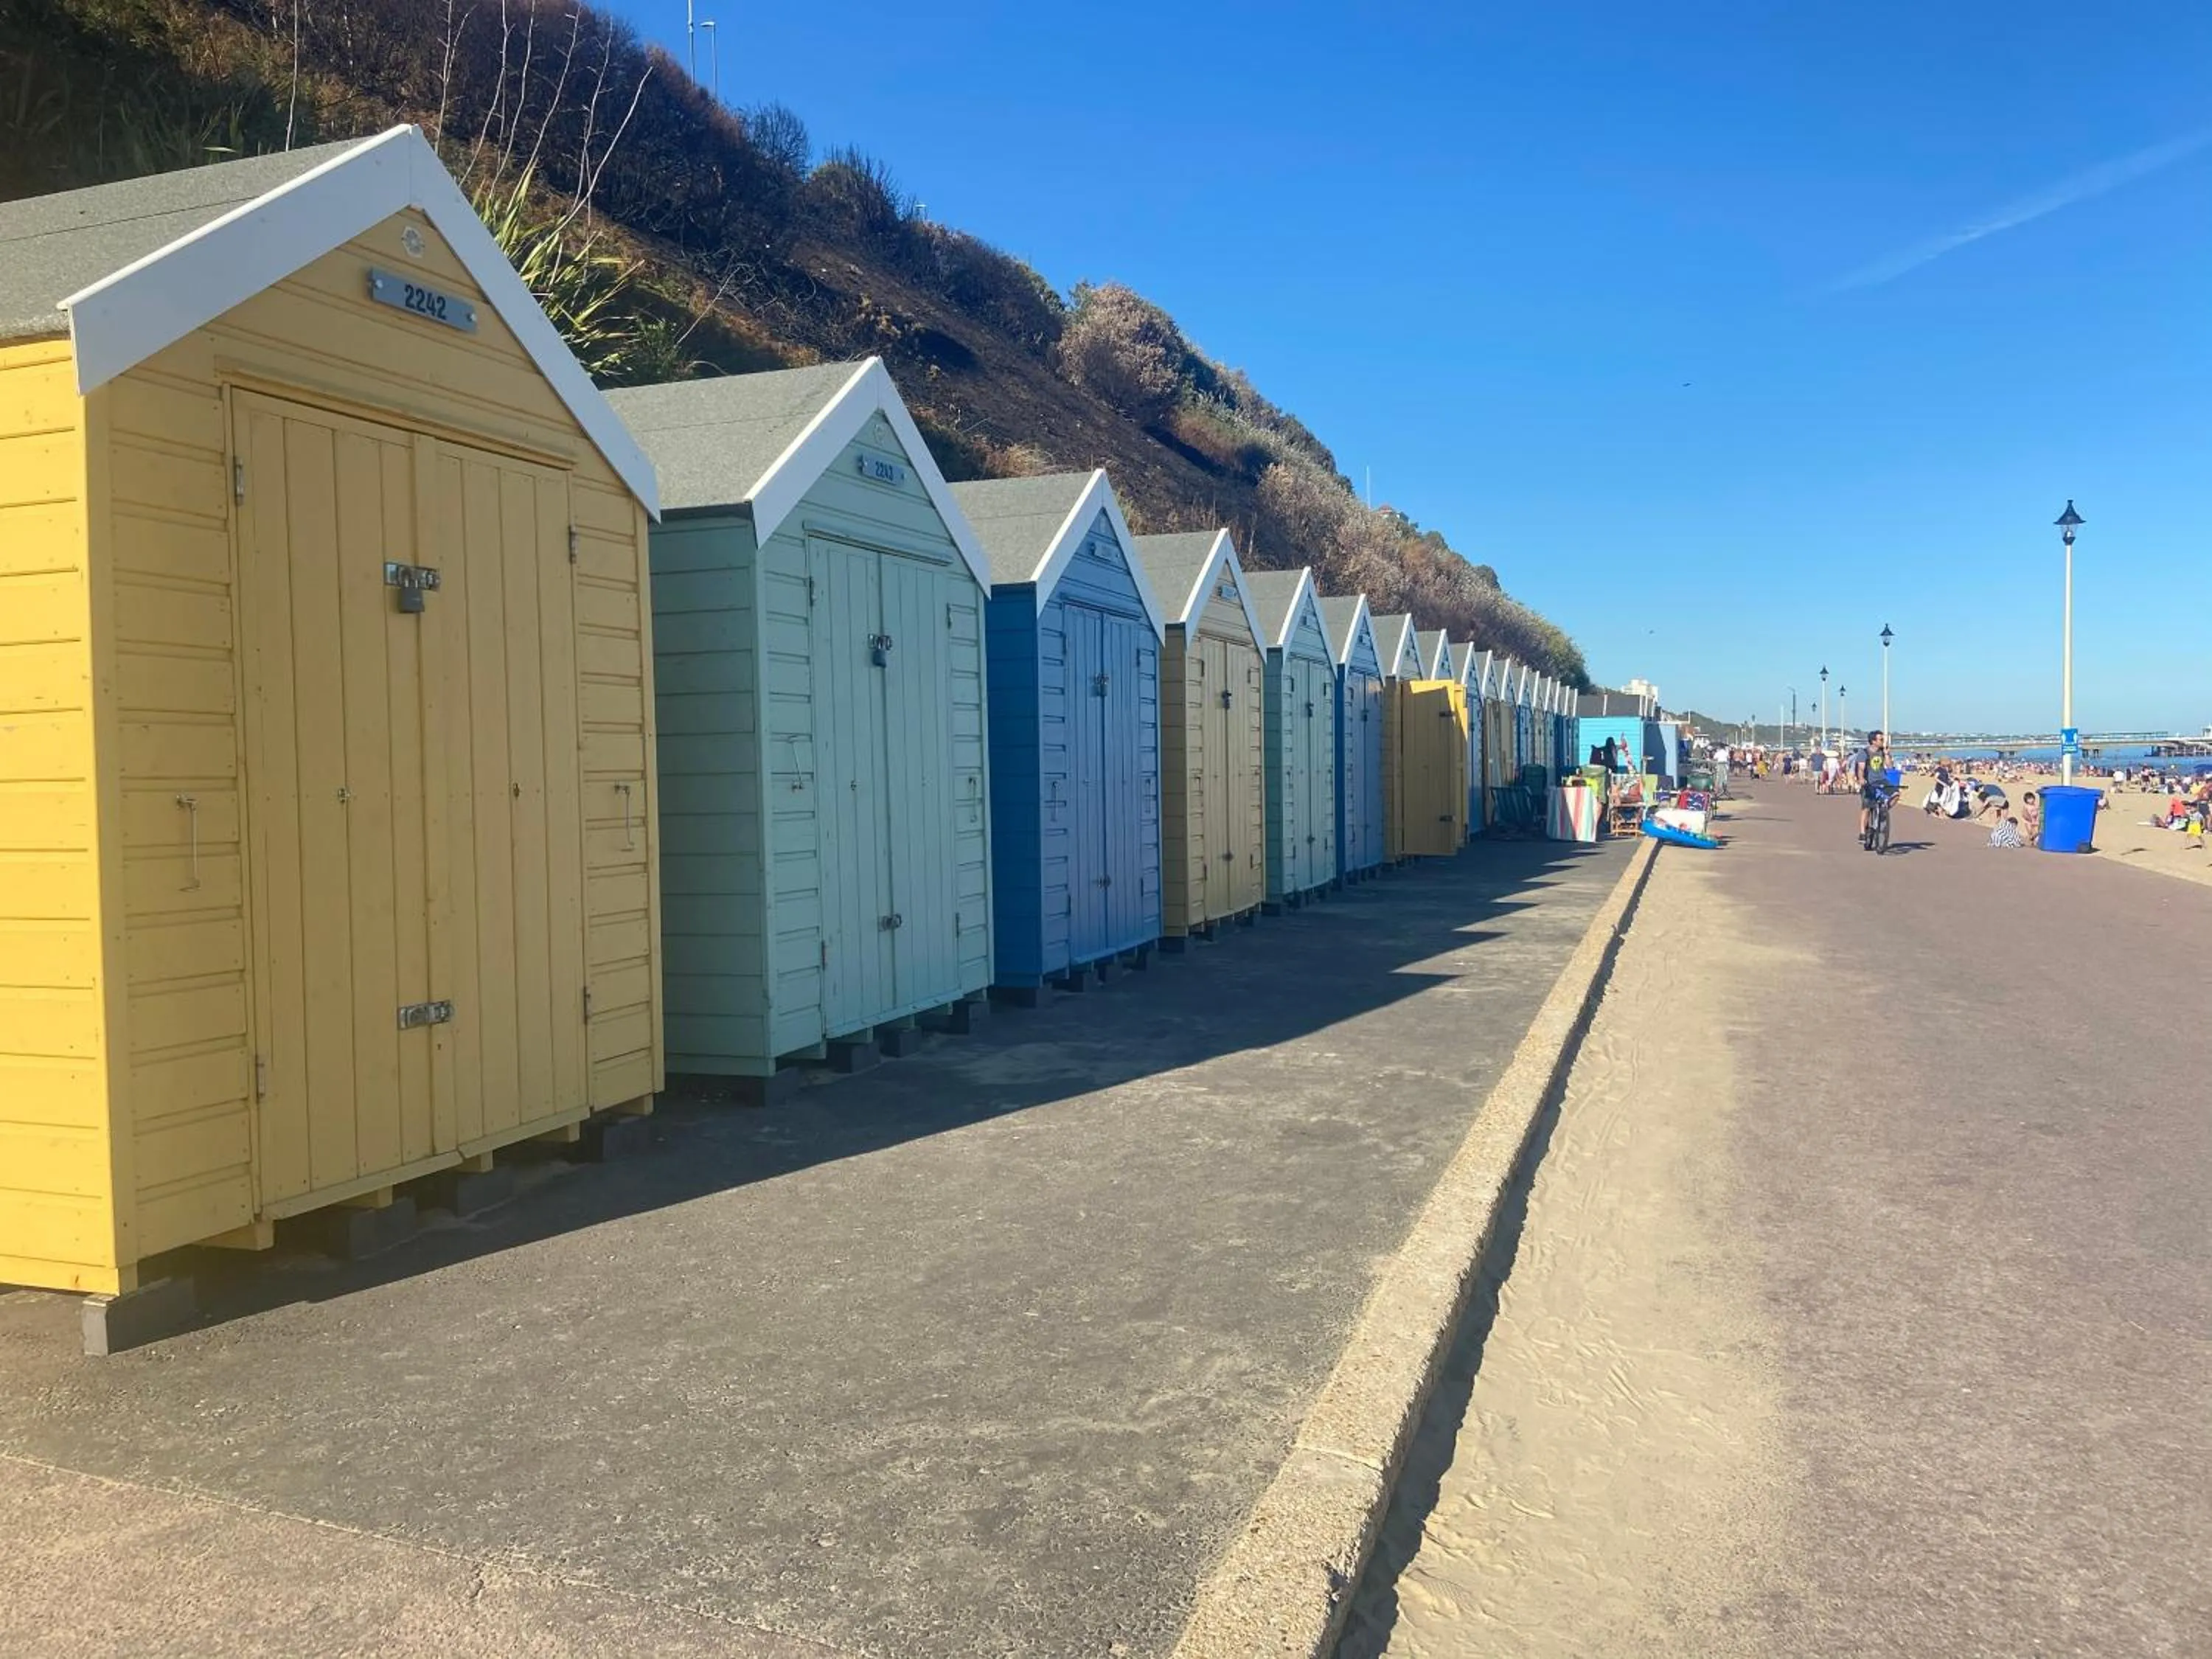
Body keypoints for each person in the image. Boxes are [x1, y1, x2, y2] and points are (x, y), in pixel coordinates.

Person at [1858, 729, 1894, 845]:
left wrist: (1887, 754)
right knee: (1867, 808)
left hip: (1882, 780)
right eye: (1881, 739)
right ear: (1873, 741)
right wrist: (1861, 779)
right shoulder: (1864, 752)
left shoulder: (1883, 752)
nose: (1883, 742)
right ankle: (1863, 833)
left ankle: (1883, 812)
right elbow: (1861, 768)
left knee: (1896, 795)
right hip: (1869, 782)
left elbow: (1890, 767)